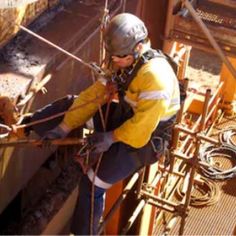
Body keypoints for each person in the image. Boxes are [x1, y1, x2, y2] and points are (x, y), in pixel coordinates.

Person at [28, 13, 180, 234]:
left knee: (92, 186)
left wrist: (110, 138)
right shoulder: (127, 62)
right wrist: (63, 128)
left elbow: (141, 130)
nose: (114, 61)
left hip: (143, 141)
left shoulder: (155, 78)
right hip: (126, 120)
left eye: (118, 57)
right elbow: (93, 96)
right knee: (71, 105)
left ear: (137, 48)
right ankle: (28, 125)